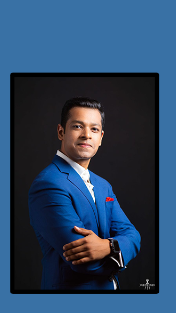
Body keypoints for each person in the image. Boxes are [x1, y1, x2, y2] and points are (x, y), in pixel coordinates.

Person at [27, 97, 141, 291]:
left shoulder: (103, 185)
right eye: (78, 126)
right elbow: (84, 262)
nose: (87, 135)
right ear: (61, 132)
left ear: (101, 137)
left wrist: (109, 247)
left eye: (94, 129)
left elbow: (133, 235)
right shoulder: (48, 184)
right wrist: (120, 251)